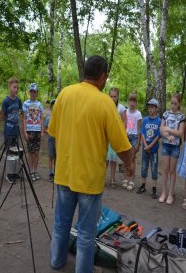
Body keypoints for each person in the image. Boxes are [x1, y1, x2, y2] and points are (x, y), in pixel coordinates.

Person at [48, 55, 133, 273]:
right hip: (89, 180)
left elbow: (54, 132)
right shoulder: (105, 102)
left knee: (61, 224)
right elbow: (121, 144)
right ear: (102, 77)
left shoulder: (65, 94)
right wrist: (129, 166)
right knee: (86, 233)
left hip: (65, 173)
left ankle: (56, 261)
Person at [159, 93, 185, 204]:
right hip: (165, 144)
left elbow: (180, 132)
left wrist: (168, 129)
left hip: (175, 147)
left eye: (175, 103)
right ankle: (164, 192)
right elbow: (161, 129)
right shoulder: (165, 114)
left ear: (179, 104)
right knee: (165, 169)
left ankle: (171, 194)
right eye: (172, 103)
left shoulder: (182, 117)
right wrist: (167, 136)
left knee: (172, 170)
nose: (173, 105)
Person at [136, 98, 161, 199]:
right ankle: (143, 186)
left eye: (152, 107)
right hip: (145, 149)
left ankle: (154, 188)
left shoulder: (159, 121)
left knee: (154, 168)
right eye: (149, 107)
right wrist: (145, 145)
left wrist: (150, 146)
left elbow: (158, 136)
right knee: (144, 167)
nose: (150, 109)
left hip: (153, 150)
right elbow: (142, 132)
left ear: (156, 108)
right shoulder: (145, 119)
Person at [1, 77, 22, 184]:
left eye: (17, 88)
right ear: (9, 87)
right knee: (9, 152)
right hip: (8, 130)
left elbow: (19, 112)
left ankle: (14, 173)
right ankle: (9, 174)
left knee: (16, 152)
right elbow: (3, 115)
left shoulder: (18, 100)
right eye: (14, 87)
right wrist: (9, 124)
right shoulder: (6, 101)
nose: (16, 89)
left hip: (16, 130)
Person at [22, 83, 44, 181]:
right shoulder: (26, 104)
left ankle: (35, 170)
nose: (33, 93)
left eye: (34, 91)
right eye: (31, 91)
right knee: (30, 152)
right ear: (29, 92)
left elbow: (41, 118)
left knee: (36, 152)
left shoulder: (39, 104)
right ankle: (31, 171)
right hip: (29, 130)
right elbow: (23, 119)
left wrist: (42, 131)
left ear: (37, 93)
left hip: (37, 130)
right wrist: (25, 132)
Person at [106, 87, 126, 188]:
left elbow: (124, 122)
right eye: (111, 96)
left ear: (118, 97)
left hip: (114, 137)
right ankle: (101, 178)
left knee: (113, 159)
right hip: (105, 137)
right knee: (104, 159)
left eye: (115, 96)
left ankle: (112, 179)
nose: (113, 98)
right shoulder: (104, 105)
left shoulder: (121, 108)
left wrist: (120, 134)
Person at [123, 91, 142, 191]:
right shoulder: (125, 112)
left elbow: (139, 129)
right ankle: (125, 179)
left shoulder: (138, 114)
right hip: (126, 136)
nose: (132, 103)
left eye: (134, 101)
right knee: (126, 159)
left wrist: (138, 143)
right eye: (130, 100)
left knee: (132, 159)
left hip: (134, 137)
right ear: (128, 101)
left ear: (136, 102)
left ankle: (131, 181)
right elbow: (124, 125)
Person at [44, 99, 56, 182]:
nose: (54, 107)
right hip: (51, 139)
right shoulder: (48, 118)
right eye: (53, 106)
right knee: (51, 156)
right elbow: (45, 129)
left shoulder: (61, 118)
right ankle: (50, 172)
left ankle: (56, 172)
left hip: (58, 140)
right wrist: (49, 131)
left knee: (57, 157)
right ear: (51, 108)